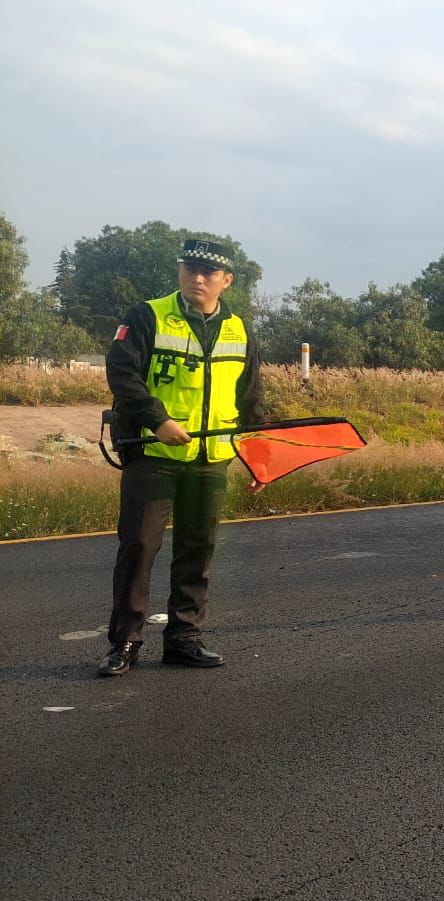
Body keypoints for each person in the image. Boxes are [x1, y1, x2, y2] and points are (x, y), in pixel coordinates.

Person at [99, 239, 265, 677]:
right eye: (190, 268)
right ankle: (125, 643)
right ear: (179, 272)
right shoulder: (147, 316)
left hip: (212, 458)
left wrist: (259, 459)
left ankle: (184, 639)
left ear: (226, 281)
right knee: (138, 547)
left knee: (198, 549)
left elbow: (251, 400)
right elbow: (122, 374)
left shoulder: (239, 330)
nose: (198, 277)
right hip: (154, 454)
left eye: (208, 272)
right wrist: (158, 421)